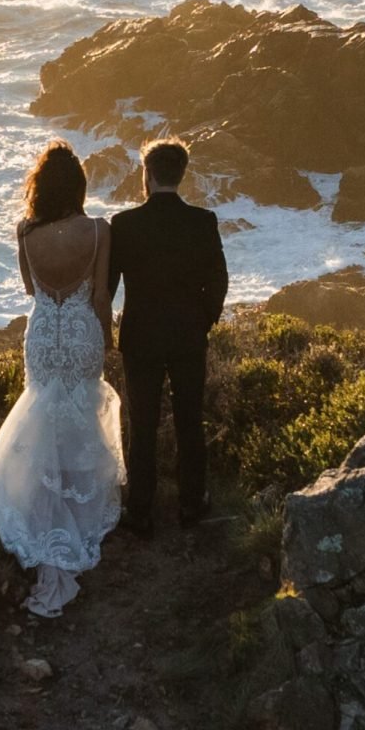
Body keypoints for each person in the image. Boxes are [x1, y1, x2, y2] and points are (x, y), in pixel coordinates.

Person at [0, 140, 125, 617]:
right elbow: (100, 297)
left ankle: (39, 511)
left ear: (38, 188)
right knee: (80, 417)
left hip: (42, 333)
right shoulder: (99, 230)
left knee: (41, 415)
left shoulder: (24, 232)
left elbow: (31, 290)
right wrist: (109, 340)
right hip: (80, 332)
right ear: (77, 186)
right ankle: (75, 517)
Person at [107, 137, 228, 535]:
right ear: (182, 175)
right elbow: (219, 282)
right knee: (189, 421)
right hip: (187, 336)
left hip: (140, 336)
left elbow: (107, 288)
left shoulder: (123, 225)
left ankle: (140, 510)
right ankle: (192, 504)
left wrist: (105, 329)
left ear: (147, 174)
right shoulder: (203, 221)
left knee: (141, 425)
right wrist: (203, 320)